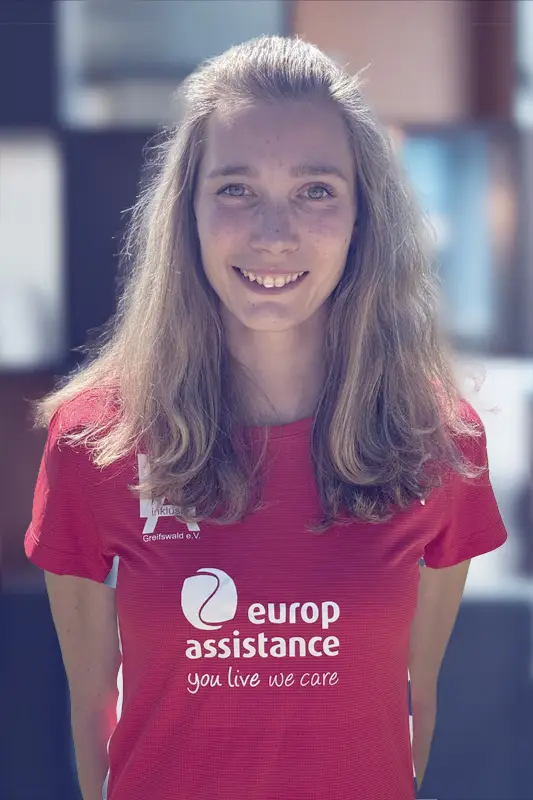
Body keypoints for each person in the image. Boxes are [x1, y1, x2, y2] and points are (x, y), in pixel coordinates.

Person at [25, 35, 507, 800]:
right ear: (185, 212)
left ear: (362, 218)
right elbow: (91, 710)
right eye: (235, 189)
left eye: (315, 190)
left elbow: (416, 699)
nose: (272, 233)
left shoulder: (439, 443)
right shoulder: (94, 438)